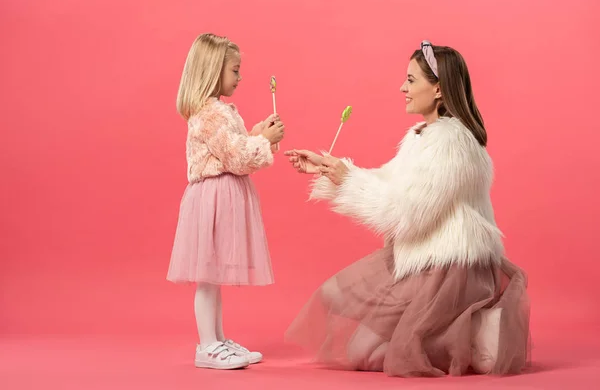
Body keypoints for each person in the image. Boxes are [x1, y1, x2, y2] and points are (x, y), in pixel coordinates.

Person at [284, 41, 530, 377]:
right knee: (361, 352)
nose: (403, 87)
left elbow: (405, 214)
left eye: (412, 80)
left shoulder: (451, 143)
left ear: (438, 89)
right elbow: (391, 182)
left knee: (387, 355)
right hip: (424, 259)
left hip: (451, 267)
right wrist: (334, 170)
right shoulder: (422, 135)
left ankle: (477, 329)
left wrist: (347, 180)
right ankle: (458, 330)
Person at [167, 33, 285, 370]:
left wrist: (257, 134)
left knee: (212, 275)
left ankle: (216, 339)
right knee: (207, 276)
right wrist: (263, 139)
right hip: (214, 199)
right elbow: (234, 157)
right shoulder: (211, 114)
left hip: (221, 196)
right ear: (214, 71)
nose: (240, 77)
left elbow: (230, 147)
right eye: (235, 70)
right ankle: (207, 345)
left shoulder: (216, 112)